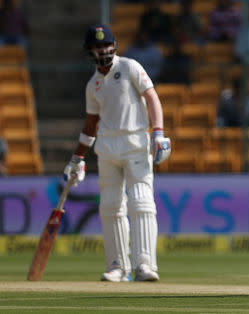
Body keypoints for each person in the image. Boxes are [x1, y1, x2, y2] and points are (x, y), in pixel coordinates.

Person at [63, 24, 171, 282]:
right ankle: (117, 266)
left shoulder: (130, 67)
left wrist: (158, 132)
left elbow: (152, 97)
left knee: (141, 202)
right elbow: (90, 125)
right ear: (89, 51)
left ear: (114, 46)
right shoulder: (93, 85)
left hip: (135, 141)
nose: (102, 50)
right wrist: (77, 158)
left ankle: (145, 266)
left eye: (106, 45)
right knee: (110, 207)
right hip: (107, 148)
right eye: (97, 47)